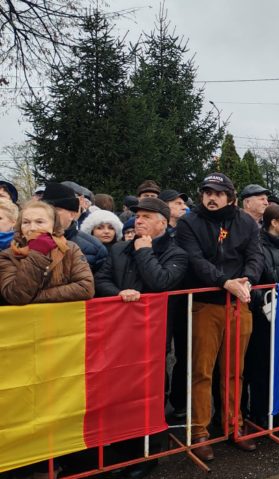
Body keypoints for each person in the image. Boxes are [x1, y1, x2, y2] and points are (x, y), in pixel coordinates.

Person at [93, 197, 188, 479]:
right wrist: (119, 295)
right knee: (119, 389)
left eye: (147, 216)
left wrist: (144, 251)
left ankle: (148, 453)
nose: (139, 220)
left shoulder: (176, 253)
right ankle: (121, 452)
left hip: (153, 333)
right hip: (118, 331)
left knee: (150, 391)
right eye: (137, 216)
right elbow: (101, 279)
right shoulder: (119, 249)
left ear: (162, 222)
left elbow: (161, 282)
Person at [176, 173, 263, 460]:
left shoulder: (246, 222)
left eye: (218, 193)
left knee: (234, 370)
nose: (211, 198)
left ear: (231, 197)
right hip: (205, 303)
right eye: (206, 192)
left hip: (239, 303)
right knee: (202, 370)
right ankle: (199, 431)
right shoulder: (190, 222)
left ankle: (232, 424)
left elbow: (255, 256)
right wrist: (225, 282)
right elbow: (194, 259)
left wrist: (247, 280)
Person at [244, 204, 279, 426]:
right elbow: (252, 281)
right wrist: (266, 299)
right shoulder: (257, 246)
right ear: (274, 223)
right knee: (260, 366)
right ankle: (259, 412)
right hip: (262, 314)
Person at [0, 200, 94, 305]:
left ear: (53, 225)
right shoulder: (8, 255)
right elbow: (15, 296)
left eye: (39, 222)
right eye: (26, 222)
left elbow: (85, 288)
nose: (32, 228)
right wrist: (37, 253)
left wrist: (36, 297)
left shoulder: (70, 249)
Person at [40, 182, 107, 272]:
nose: (49, 214)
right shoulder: (24, 242)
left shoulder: (95, 248)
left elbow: (98, 283)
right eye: (46, 210)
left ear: (72, 214)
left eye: (56, 210)